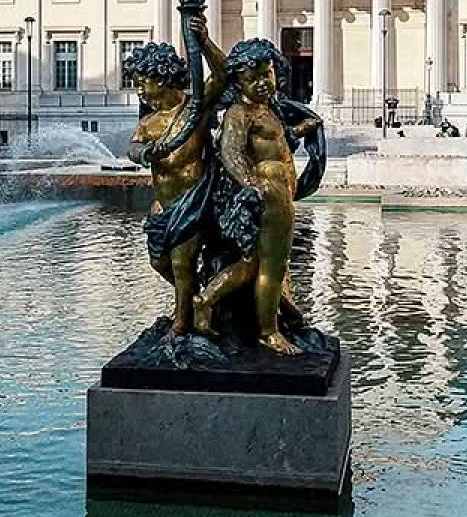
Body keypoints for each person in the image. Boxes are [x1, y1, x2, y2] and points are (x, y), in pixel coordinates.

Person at [192, 39, 323, 356]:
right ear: (238, 81)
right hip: (269, 194)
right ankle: (269, 332)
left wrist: (306, 127)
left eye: (267, 74)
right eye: (253, 78)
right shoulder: (240, 113)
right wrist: (253, 186)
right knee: (273, 267)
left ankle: (205, 300)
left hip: (278, 193)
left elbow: (277, 142)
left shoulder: (267, 110)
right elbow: (230, 153)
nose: (263, 83)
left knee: (252, 265)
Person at [126, 18, 226, 337]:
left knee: (182, 264)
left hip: (193, 201)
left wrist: (206, 42)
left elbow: (223, 75)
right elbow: (133, 148)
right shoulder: (150, 122)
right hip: (162, 206)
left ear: (163, 78)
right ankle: (198, 300)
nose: (140, 91)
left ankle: (181, 324)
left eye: (144, 83)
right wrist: (145, 154)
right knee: (160, 263)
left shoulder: (195, 110)